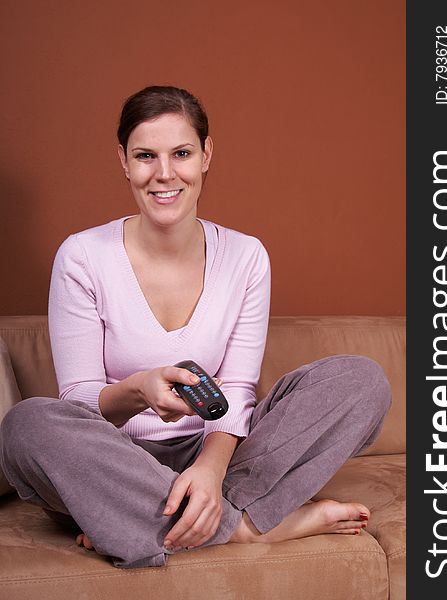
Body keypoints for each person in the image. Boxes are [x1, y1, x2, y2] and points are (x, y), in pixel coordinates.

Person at [0, 86, 391, 569]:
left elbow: (237, 389)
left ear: (206, 155)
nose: (164, 174)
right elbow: (79, 402)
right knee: (26, 425)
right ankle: (244, 529)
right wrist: (138, 390)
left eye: (181, 153)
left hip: (218, 462)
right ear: (123, 160)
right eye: (146, 156)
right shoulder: (82, 257)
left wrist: (209, 469)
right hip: (109, 465)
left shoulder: (246, 256)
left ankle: (159, 521)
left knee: (361, 380)